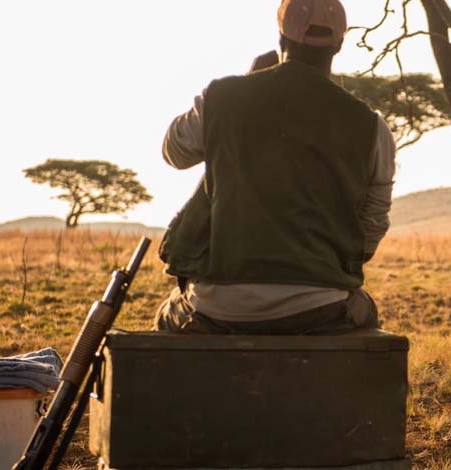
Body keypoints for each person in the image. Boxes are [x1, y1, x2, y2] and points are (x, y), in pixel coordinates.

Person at [154, 0, 395, 335]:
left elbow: (174, 153)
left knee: (168, 316)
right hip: (321, 306)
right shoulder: (371, 126)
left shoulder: (222, 97)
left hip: (218, 305)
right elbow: (373, 223)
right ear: (339, 44)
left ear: (281, 39)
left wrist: (245, 86)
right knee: (365, 313)